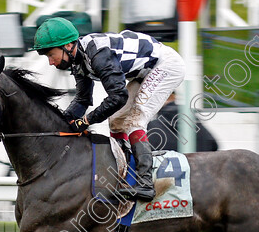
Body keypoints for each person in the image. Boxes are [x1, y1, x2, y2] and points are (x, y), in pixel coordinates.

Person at [31, 17, 186, 201]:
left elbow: (118, 97)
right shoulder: (79, 60)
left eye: (51, 55)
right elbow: (82, 100)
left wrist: (87, 121)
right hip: (145, 71)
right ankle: (123, 176)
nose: (50, 62)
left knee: (135, 119)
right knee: (116, 121)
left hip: (166, 66)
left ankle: (145, 184)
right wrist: (61, 123)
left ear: (68, 45)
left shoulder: (98, 54)